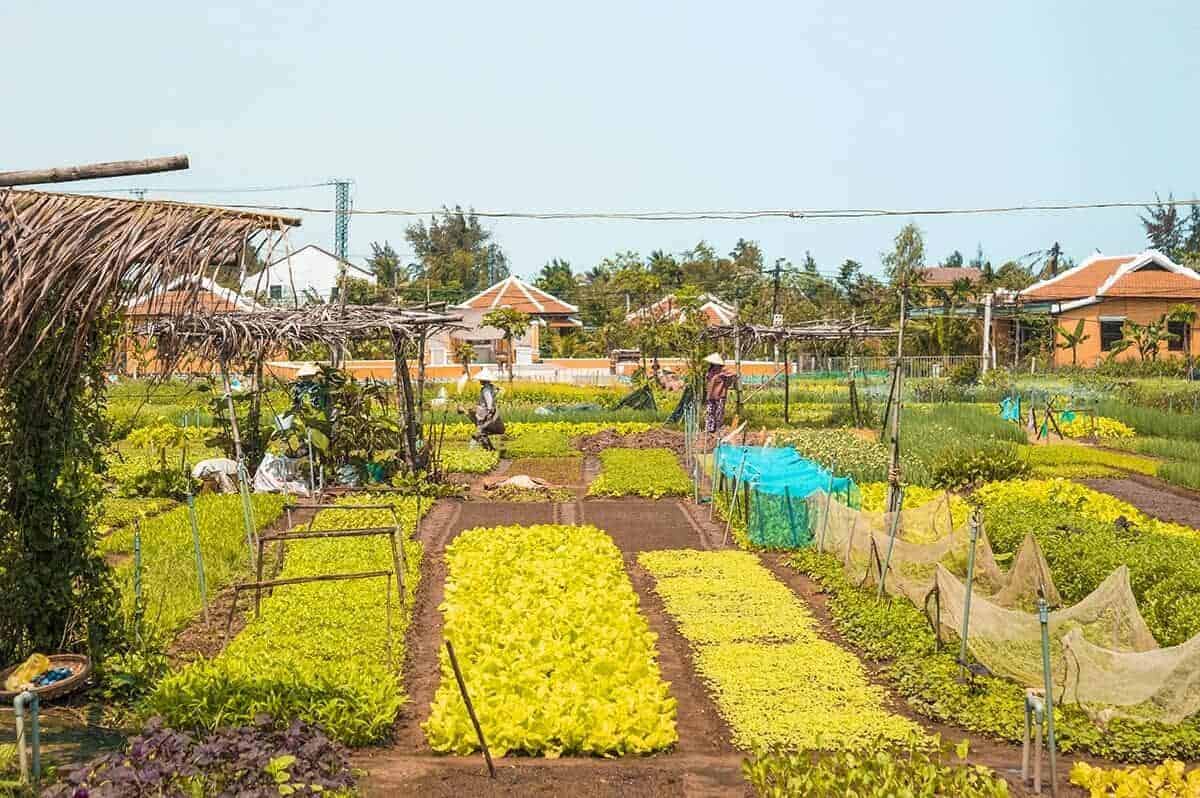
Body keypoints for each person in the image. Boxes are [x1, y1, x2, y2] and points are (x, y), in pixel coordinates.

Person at [458, 368, 505, 450]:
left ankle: (473, 449)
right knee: (483, 431)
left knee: (480, 430)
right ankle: (489, 449)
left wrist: (489, 409)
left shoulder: (486, 389)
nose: (480, 381)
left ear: (484, 380)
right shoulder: (491, 387)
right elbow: (496, 394)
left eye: (481, 379)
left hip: (484, 412)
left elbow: (489, 399)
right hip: (486, 411)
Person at [703, 352, 736, 437]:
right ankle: (709, 429)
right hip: (710, 395)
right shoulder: (710, 370)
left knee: (719, 412)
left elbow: (734, 373)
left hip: (720, 395)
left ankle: (717, 429)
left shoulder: (723, 370)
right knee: (710, 412)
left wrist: (727, 381)